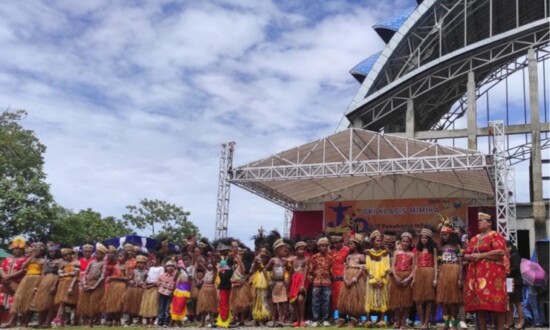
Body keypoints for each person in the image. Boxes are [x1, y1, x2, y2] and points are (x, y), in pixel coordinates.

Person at [463, 212, 507, 330]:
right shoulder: (474, 238)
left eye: (481, 220)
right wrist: (469, 257)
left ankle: (500, 328)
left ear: (489, 222)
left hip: (492, 276)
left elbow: (500, 252)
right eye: (478, 221)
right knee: (479, 306)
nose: (478, 222)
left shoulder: (495, 235)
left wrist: (482, 256)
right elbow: (466, 254)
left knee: (496, 303)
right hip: (476, 276)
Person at [10, 242, 46, 327]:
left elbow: (43, 273)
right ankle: (14, 321)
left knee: (30, 301)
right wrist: (32, 256)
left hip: (36, 278)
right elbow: (23, 267)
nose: (37, 252)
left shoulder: (43, 261)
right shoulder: (30, 259)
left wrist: (40, 283)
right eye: (35, 250)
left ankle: (25, 322)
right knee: (20, 299)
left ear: (41, 251)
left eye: (38, 250)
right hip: (26, 279)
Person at [436, 221, 463, 330]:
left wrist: (460, 277)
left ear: (450, 234)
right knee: (444, 302)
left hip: (454, 271)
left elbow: (461, 263)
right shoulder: (441, 248)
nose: (444, 236)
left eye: (445, 234)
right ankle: (446, 323)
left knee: (453, 302)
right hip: (443, 273)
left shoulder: (457, 247)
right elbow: (438, 262)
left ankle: (454, 324)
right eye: (442, 235)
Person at [31, 243, 62, 328]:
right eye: (50, 252)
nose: (51, 253)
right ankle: (40, 322)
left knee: (51, 303)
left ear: (57, 252)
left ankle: (48, 322)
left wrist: (54, 285)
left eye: (53, 252)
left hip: (54, 280)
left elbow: (59, 274)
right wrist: (39, 285)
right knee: (42, 302)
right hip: (45, 281)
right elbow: (43, 273)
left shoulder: (60, 261)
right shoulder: (46, 261)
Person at [337, 233, 365, 327]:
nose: (350, 246)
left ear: (357, 245)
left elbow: (362, 269)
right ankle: (342, 319)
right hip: (347, 279)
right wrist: (344, 278)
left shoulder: (361, 256)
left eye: (351, 244)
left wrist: (355, 279)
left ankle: (354, 320)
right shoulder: (348, 257)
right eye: (349, 244)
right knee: (345, 299)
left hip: (356, 280)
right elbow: (345, 268)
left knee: (354, 299)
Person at [412, 228, 438, 329]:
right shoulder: (417, 250)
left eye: (426, 238)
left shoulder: (433, 250)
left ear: (429, 239)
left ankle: (426, 323)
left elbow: (435, 264)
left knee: (429, 299)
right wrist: (414, 278)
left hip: (430, 273)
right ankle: (422, 321)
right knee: (418, 299)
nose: (424, 239)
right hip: (419, 274)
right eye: (422, 237)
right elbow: (415, 265)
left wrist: (435, 278)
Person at [0, 236, 28, 328]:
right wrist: (5, 276)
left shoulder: (25, 260)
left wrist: (9, 277)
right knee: (2, 302)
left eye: (19, 249)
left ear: (23, 250)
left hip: (17, 284)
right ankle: (2, 321)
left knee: (14, 303)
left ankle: (11, 322)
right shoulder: (7, 259)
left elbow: (23, 270)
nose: (16, 250)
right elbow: (1, 268)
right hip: (4, 283)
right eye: (15, 249)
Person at [364, 230, 390, 328]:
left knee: (382, 298)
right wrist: (373, 280)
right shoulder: (368, 252)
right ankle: (368, 319)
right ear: (372, 241)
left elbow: (387, 267)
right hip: (371, 279)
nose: (379, 242)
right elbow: (367, 266)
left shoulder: (385, 253)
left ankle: (382, 319)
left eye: (380, 240)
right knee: (370, 298)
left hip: (381, 279)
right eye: (377, 240)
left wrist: (381, 279)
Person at [390, 231, 415, 330]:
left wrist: (409, 279)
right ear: (400, 242)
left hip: (407, 277)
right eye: (403, 241)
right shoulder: (396, 253)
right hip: (397, 277)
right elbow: (392, 266)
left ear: (410, 243)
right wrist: (395, 276)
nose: (405, 243)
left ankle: (404, 322)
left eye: (407, 241)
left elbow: (414, 268)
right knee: (396, 301)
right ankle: (398, 320)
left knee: (406, 301)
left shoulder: (412, 255)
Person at [78, 243, 107, 327]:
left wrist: (94, 286)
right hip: (87, 283)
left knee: (93, 303)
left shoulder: (103, 263)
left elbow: (102, 276)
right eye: (96, 253)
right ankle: (85, 321)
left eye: (99, 253)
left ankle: (91, 321)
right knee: (85, 302)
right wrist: (84, 283)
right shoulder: (91, 262)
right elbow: (85, 273)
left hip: (97, 285)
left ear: (103, 254)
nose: (96, 254)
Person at [309, 237, 333, 327]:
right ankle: (315, 319)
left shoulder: (330, 258)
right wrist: (310, 277)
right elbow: (310, 270)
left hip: (327, 282)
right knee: (315, 301)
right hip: (316, 282)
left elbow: (331, 270)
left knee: (326, 301)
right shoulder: (314, 257)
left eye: (326, 246)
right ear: (318, 247)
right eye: (322, 246)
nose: (324, 248)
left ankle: (325, 319)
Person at [53, 247, 80, 326]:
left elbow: (75, 275)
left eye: (67, 255)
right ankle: (60, 320)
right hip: (62, 284)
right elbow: (60, 274)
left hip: (72, 283)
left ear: (71, 255)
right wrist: (68, 274)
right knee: (62, 302)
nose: (65, 257)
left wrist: (71, 286)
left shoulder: (76, 262)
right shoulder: (63, 263)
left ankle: (75, 320)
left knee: (73, 303)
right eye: (64, 256)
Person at [267, 239, 290, 326]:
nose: (284, 250)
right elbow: (266, 269)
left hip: (282, 283)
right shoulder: (273, 260)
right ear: (276, 251)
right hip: (274, 283)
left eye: (284, 248)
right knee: (273, 302)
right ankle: (273, 319)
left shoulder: (285, 261)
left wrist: (286, 280)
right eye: (281, 249)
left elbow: (288, 271)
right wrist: (269, 280)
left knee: (282, 302)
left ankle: (281, 319)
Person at [103, 250, 129, 326]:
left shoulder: (126, 267)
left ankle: (117, 319)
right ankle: (109, 319)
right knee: (111, 302)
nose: (119, 257)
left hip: (121, 286)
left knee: (119, 304)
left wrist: (115, 278)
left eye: (121, 256)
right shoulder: (116, 266)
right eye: (118, 256)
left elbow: (127, 278)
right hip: (113, 286)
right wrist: (110, 278)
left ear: (126, 258)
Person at [140, 252, 165, 326]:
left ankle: (153, 320)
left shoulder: (161, 268)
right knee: (147, 303)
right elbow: (147, 277)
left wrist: (152, 286)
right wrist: (144, 283)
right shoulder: (151, 268)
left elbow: (160, 279)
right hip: (147, 286)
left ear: (158, 259)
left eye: (154, 259)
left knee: (153, 303)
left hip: (155, 287)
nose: (152, 261)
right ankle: (147, 320)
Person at [123, 254, 148, 326]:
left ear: (145, 264)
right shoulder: (134, 271)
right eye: (139, 263)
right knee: (131, 304)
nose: (140, 264)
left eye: (142, 263)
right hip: (133, 289)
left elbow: (146, 281)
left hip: (141, 290)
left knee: (140, 305)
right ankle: (130, 320)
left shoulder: (146, 272)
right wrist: (131, 282)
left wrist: (143, 283)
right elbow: (130, 278)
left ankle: (140, 320)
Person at [328, 235, 350, 316]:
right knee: (334, 299)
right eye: (334, 243)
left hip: (343, 278)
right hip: (333, 279)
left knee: (343, 297)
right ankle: (335, 317)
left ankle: (345, 316)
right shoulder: (331, 252)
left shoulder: (347, 250)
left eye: (337, 243)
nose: (335, 245)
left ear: (341, 242)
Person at [505, 241, 525, 329]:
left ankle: (521, 321)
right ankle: (510, 322)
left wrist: (507, 270)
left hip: (516, 282)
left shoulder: (515, 255)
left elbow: (516, 268)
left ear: (509, 247)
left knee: (517, 302)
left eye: (505, 248)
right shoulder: (509, 256)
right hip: (510, 281)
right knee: (510, 302)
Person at [289, 242, 309, 327]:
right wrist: (288, 283)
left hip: (302, 280)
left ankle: (302, 319)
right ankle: (297, 320)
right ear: (296, 251)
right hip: (294, 281)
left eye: (304, 249)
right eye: (300, 249)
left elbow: (305, 272)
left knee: (300, 299)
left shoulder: (306, 259)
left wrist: (302, 284)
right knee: (294, 301)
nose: (303, 251)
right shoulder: (293, 260)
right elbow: (291, 271)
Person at [196, 258, 218, 328]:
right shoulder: (205, 271)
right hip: (204, 289)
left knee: (211, 307)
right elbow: (200, 264)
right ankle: (202, 323)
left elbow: (214, 267)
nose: (209, 266)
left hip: (211, 289)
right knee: (203, 307)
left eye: (211, 266)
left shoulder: (214, 271)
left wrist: (211, 258)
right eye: (208, 265)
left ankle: (211, 322)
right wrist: (197, 258)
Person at [157, 260, 177, 327]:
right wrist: (161, 287)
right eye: (168, 266)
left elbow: (176, 285)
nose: (170, 268)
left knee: (167, 308)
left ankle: (166, 322)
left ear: (174, 268)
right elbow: (158, 282)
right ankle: (160, 322)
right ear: (166, 267)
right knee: (161, 307)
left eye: (172, 266)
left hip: (170, 294)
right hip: (162, 293)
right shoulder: (162, 275)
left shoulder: (175, 276)